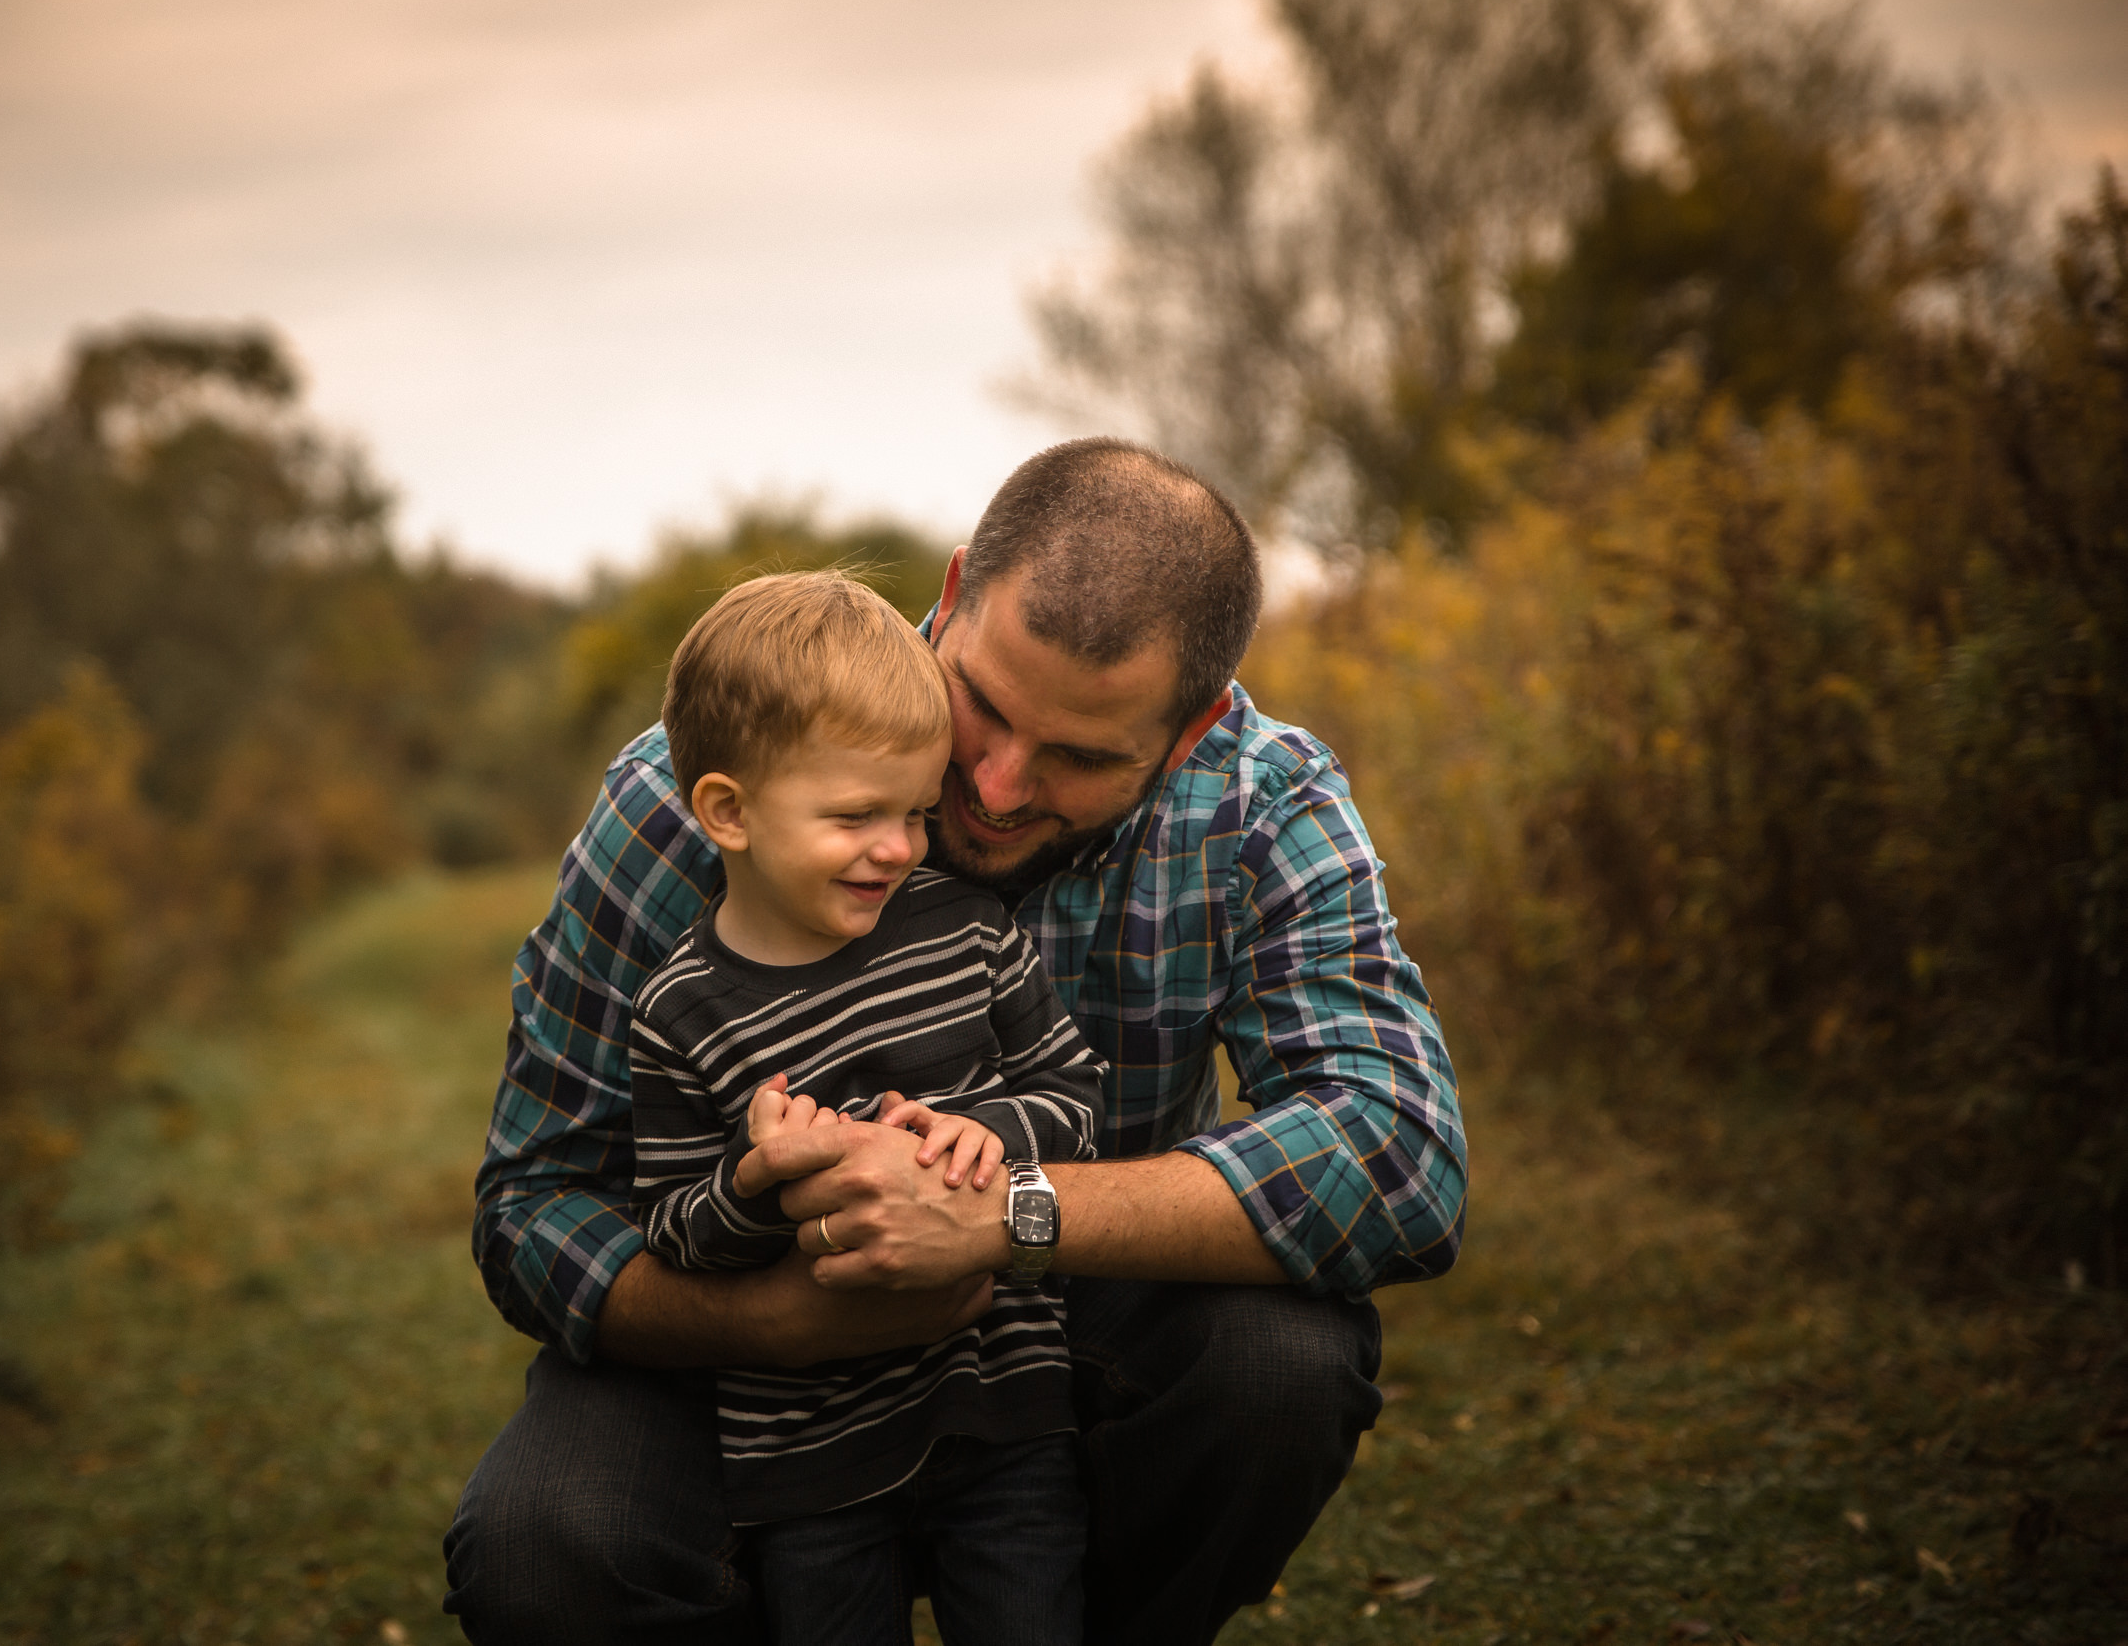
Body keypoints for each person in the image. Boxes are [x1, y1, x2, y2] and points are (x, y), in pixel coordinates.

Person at [450, 438, 1468, 1646]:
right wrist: (775, 1320)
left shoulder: (1263, 804)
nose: (988, 783)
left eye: (1081, 756)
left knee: (1276, 1367)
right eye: (979, 700)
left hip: (1056, 1324)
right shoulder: (696, 794)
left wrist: (1007, 1213)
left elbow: (1401, 1150)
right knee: (543, 1544)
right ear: (947, 599)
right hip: (745, 1359)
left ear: (1191, 728)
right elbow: (532, 1200)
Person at [630, 569, 1103, 1644]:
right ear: (728, 810)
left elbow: (1075, 1093)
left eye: (913, 810)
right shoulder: (681, 1009)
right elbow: (668, 1226)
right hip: (809, 1458)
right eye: (854, 816)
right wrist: (754, 1185)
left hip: (1005, 1418)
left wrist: (996, 1132)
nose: (897, 845)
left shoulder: (968, 929)